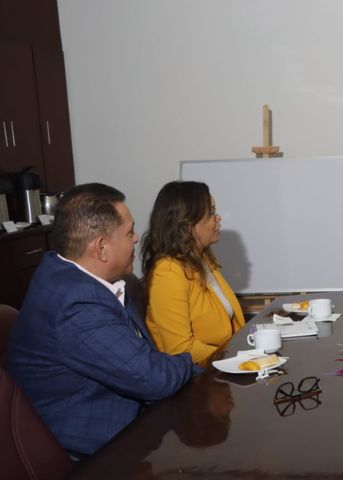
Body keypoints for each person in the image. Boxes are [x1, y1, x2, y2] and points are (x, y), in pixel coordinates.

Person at [5, 183, 196, 457]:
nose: (135, 239)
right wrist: (191, 363)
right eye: (129, 232)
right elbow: (153, 378)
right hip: (90, 460)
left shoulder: (80, 277)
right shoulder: (76, 302)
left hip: (133, 425)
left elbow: (146, 362)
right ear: (102, 248)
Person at [142, 181, 245, 364]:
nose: (218, 218)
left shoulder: (203, 259)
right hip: (199, 380)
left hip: (221, 367)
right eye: (211, 212)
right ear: (187, 224)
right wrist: (238, 358)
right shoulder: (168, 271)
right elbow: (181, 349)